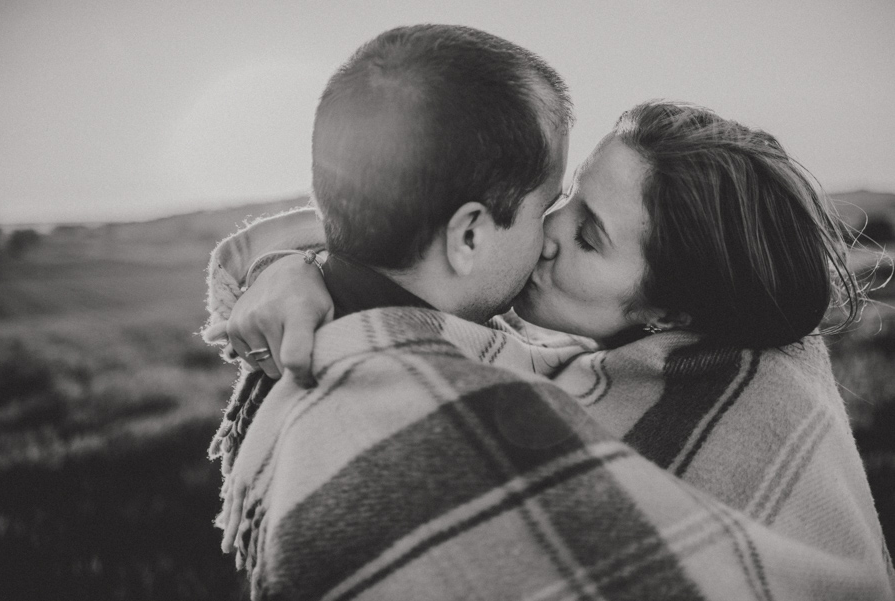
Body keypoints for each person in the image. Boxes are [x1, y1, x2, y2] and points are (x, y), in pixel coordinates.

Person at [203, 26, 894, 600]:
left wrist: (294, 265)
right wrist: (293, 265)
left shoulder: (766, 393)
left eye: (588, 232)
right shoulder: (453, 380)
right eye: (556, 200)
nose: (551, 231)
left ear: (674, 306)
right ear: (470, 235)